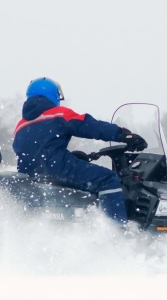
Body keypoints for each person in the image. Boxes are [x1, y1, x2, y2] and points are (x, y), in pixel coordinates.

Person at [12, 77, 147, 224]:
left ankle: (88, 222)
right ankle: (116, 229)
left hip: (31, 173)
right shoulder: (58, 114)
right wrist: (123, 135)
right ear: (52, 94)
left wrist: (69, 157)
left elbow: (38, 151)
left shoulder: (20, 125)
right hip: (57, 166)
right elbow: (89, 126)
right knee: (108, 179)